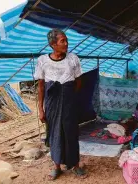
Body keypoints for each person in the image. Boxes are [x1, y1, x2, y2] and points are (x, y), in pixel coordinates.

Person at [34, 29, 86, 180]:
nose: (66, 43)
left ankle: (75, 165)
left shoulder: (73, 59)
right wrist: (41, 109)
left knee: (71, 132)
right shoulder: (43, 60)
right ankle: (57, 167)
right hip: (52, 103)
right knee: (55, 133)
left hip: (69, 101)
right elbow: (41, 87)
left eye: (66, 40)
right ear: (52, 44)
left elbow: (79, 81)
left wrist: (68, 96)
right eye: (62, 41)